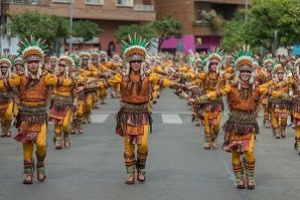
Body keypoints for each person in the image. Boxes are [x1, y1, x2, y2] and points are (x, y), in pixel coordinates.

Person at [195, 48, 287, 190]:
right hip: (234, 124)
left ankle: (250, 177)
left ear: (251, 73)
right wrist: (202, 98)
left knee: (249, 152)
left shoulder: (257, 87)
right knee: (236, 152)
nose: (245, 74)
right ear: (238, 72)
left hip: (249, 124)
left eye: (248, 71)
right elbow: (217, 92)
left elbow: (272, 91)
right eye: (242, 71)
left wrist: (290, 97)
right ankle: (239, 178)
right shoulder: (231, 86)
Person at [0, 36, 73, 184]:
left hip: (40, 116)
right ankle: (28, 173)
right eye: (30, 62)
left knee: (40, 144)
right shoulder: (19, 77)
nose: (33, 64)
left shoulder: (46, 77)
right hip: (24, 116)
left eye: (36, 61)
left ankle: (40, 164)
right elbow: (4, 83)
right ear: (26, 63)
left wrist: (71, 80)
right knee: (27, 144)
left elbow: (67, 81)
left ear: (39, 63)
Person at [108, 34, 178, 185]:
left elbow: (162, 80)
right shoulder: (121, 76)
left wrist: (178, 85)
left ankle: (142, 167)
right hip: (126, 115)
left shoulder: (148, 76)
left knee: (143, 144)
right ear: (129, 62)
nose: (136, 64)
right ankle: (130, 173)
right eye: (133, 61)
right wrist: (85, 85)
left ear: (142, 62)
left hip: (142, 114)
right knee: (128, 145)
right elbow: (106, 82)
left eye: (139, 61)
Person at [0, 53, 15, 137]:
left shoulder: (12, 76)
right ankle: (3, 130)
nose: (3, 68)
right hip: (0, 99)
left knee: (8, 114)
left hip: (9, 99)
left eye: (5, 67)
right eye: (2, 67)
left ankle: (8, 128)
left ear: (8, 68)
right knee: (2, 116)